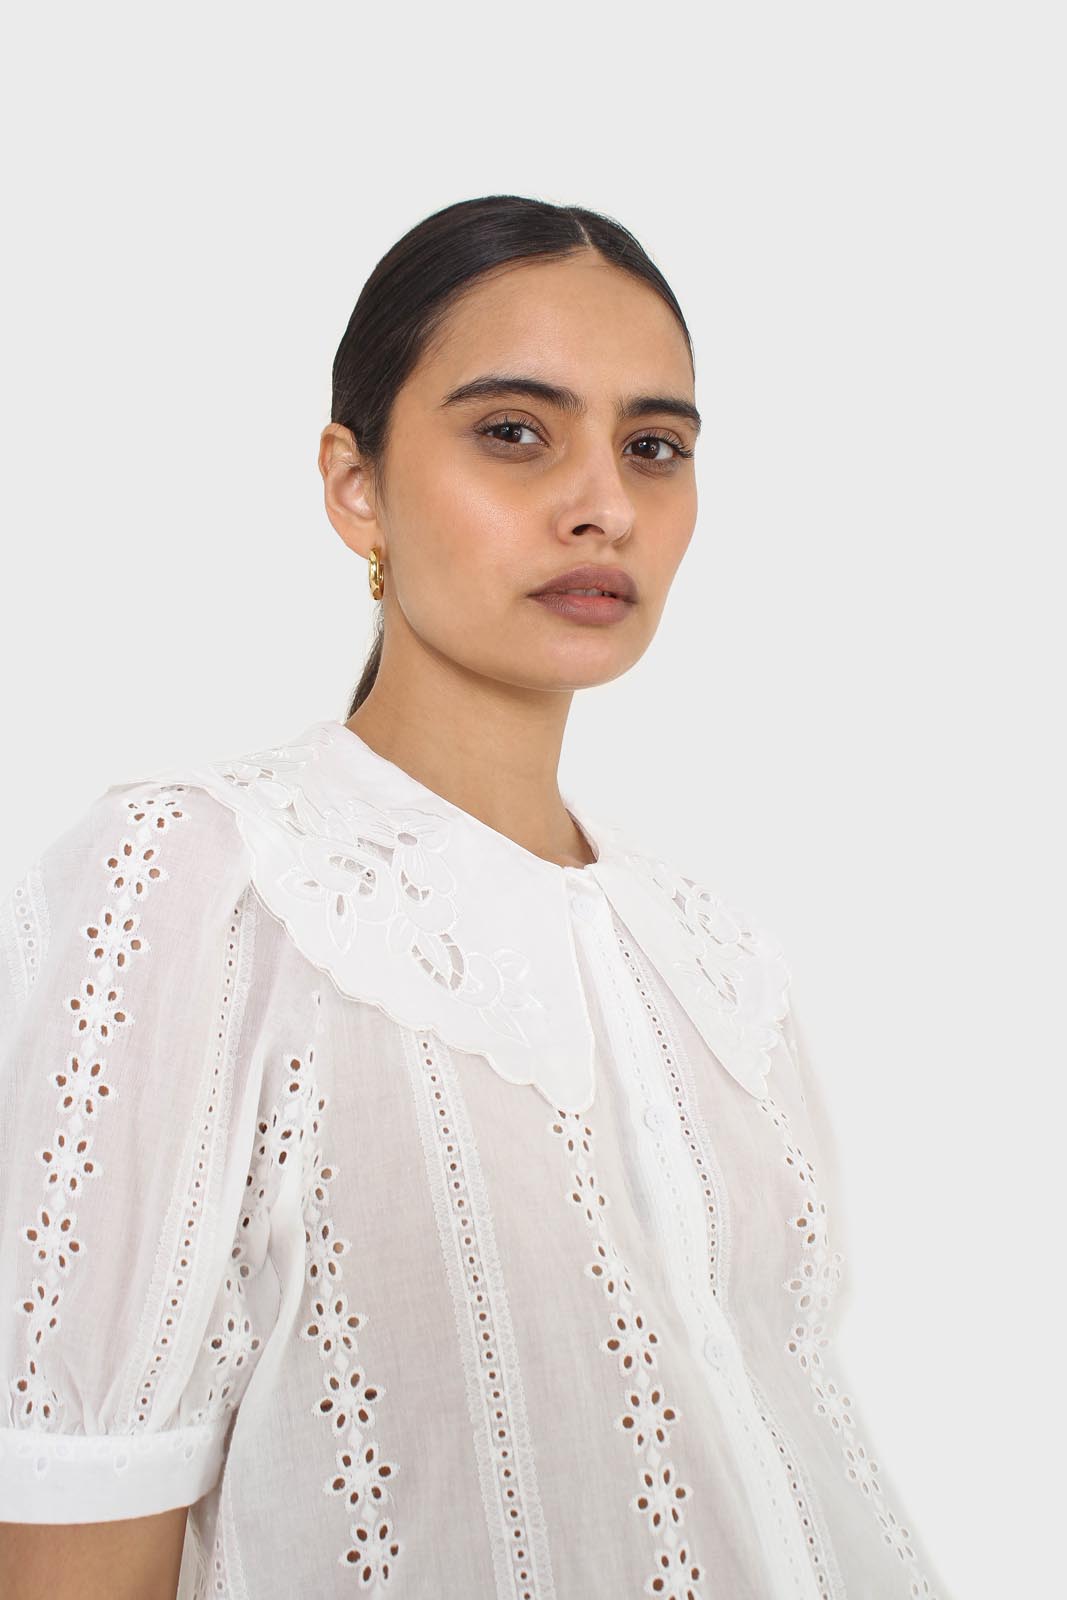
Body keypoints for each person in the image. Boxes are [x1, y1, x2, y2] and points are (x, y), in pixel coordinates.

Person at [0, 194, 954, 1599]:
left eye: (654, 446)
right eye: (515, 431)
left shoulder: (716, 962)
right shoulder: (202, 880)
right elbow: (76, 1526)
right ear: (356, 485)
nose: (604, 503)